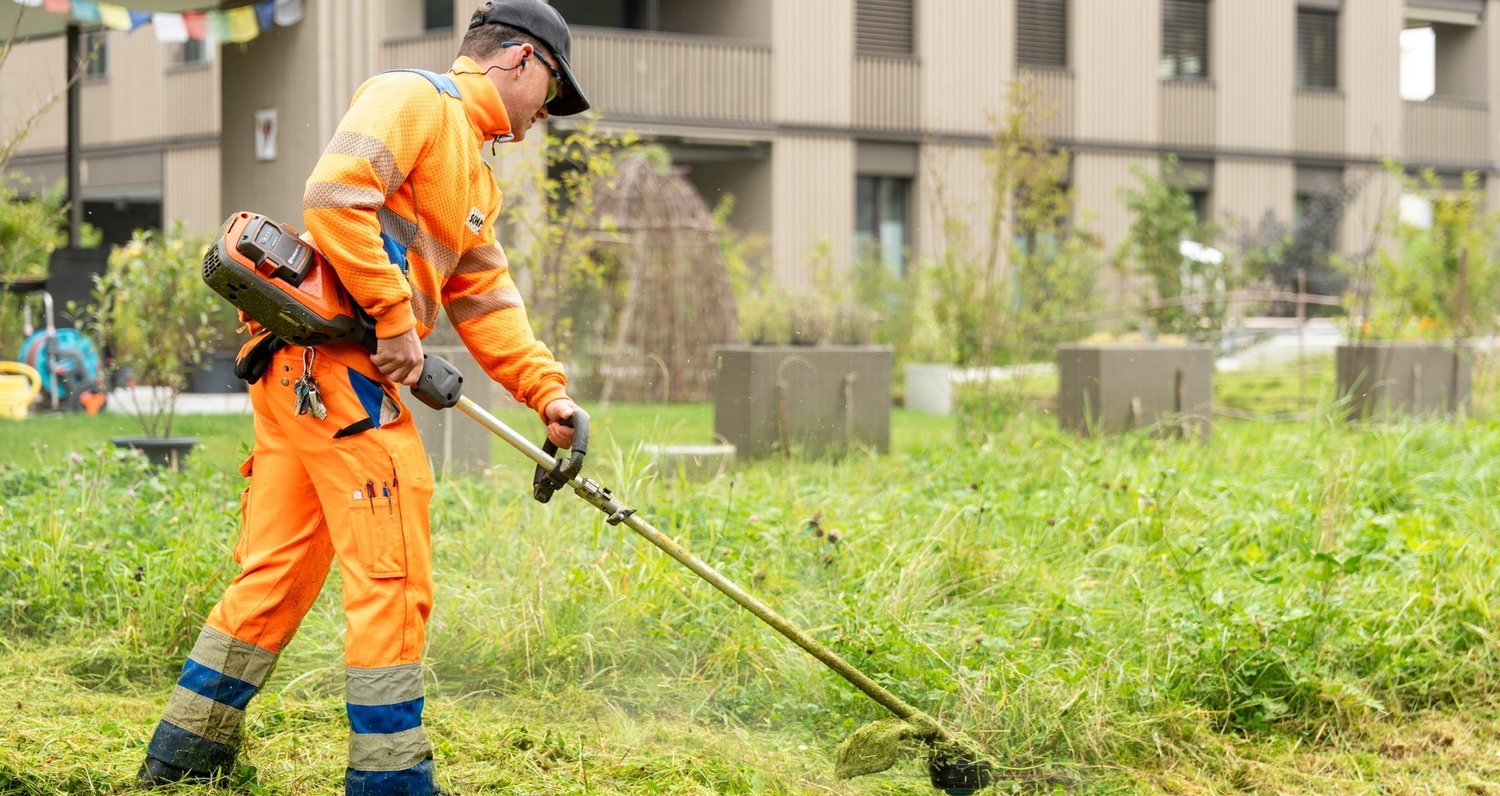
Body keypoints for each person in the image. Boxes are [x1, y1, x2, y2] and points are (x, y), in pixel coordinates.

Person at [138, 2, 591, 793]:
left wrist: (544, 391)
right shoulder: (416, 98)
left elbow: (484, 297)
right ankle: (391, 784)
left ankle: (181, 760)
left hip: (311, 382)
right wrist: (393, 318)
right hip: (333, 374)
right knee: (395, 575)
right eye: (551, 89)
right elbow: (334, 193)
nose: (547, 111)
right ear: (520, 58)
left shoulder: (475, 170)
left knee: (275, 574)